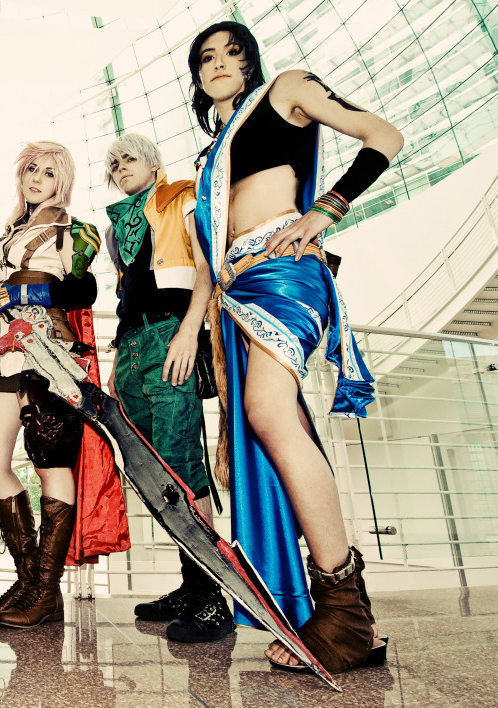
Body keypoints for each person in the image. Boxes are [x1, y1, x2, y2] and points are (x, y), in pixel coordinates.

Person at [188, 21, 402, 673]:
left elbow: (383, 136)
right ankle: (335, 612)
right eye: (205, 57)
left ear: (251, 64)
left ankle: (344, 614)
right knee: (271, 426)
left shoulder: (286, 89)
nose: (218, 63)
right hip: (238, 291)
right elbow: (207, 259)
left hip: (285, 270)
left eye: (232, 53)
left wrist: (326, 209)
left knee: (269, 414)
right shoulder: (211, 157)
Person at [0, 141, 129, 628]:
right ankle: (32, 584)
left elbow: (85, 290)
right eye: (31, 170)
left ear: (62, 181)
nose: (36, 179)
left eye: (48, 172)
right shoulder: (10, 231)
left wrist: (23, 290)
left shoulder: (73, 229)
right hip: (4, 351)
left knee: (50, 464)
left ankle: (43, 590)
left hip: (49, 353)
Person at [102, 133, 231, 643]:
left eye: (129, 158)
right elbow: (127, 295)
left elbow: (206, 267)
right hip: (132, 347)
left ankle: (210, 599)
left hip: (170, 336)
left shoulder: (181, 197)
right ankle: (190, 585)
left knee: (181, 466)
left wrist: (189, 331)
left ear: (154, 163)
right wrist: (119, 361)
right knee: (155, 475)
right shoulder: (118, 227)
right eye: (113, 163)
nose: (120, 167)